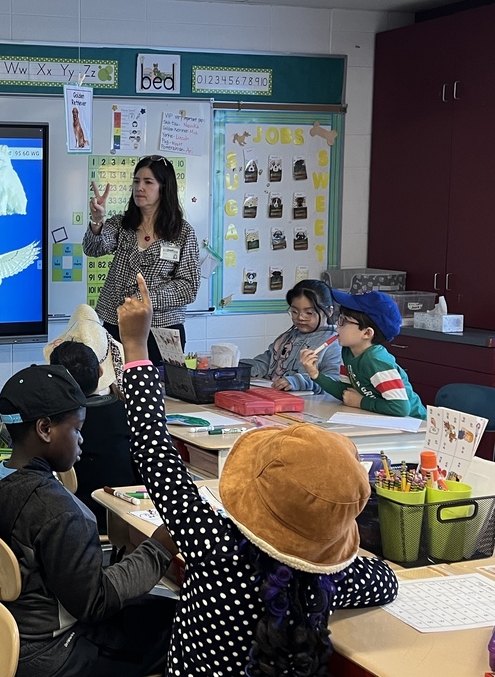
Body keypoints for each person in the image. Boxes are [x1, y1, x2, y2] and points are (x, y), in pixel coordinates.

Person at [117, 272, 398, 677]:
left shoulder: (214, 547)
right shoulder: (331, 578)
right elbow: (385, 581)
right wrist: (333, 550)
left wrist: (135, 346)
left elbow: (153, 452)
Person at [0, 362, 176, 677]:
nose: (82, 440)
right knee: (181, 624)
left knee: (153, 608)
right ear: (44, 429)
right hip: (56, 653)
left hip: (14, 634)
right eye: (77, 429)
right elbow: (95, 603)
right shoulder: (57, 512)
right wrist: (158, 548)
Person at [84, 155, 199, 365]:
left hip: (162, 329)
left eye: (148, 182)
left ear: (164, 188)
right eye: (136, 181)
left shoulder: (182, 233)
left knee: (158, 393)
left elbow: (188, 287)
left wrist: (145, 300)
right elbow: (93, 249)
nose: (140, 188)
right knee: (116, 391)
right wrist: (97, 220)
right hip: (117, 324)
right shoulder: (121, 224)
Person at [44, 304, 132, 533]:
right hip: (127, 517)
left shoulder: (52, 422)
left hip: (75, 518)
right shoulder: (126, 414)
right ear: (102, 371)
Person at [301, 289, 426, 419]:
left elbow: (400, 408)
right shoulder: (348, 351)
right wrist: (315, 374)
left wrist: (361, 402)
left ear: (367, 333)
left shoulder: (376, 360)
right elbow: (347, 393)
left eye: (343, 321)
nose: (337, 327)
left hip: (415, 425)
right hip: (386, 421)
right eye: (339, 318)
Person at [241, 279, 340, 393]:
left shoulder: (334, 342)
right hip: (275, 397)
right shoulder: (287, 337)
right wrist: (237, 367)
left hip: (310, 404)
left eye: (309, 313)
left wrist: (297, 381)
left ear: (329, 311)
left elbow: (333, 382)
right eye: (294, 311)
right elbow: (265, 363)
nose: (300, 317)